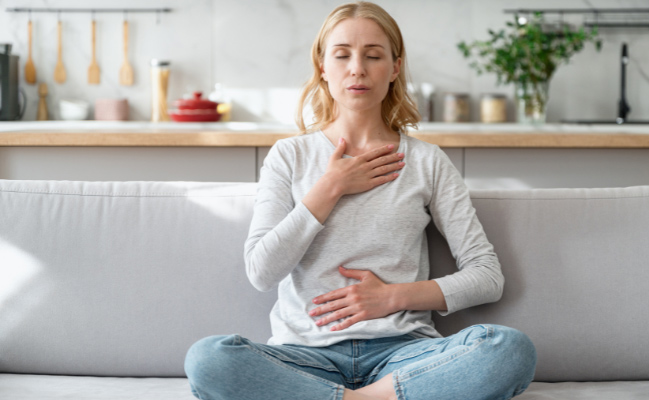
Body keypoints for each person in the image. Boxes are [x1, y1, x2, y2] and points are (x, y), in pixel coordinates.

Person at [184, 2, 536, 399]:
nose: (357, 68)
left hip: (402, 355)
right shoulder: (289, 156)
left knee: (508, 349)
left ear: (395, 67)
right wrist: (330, 187)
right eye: (342, 55)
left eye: (373, 55)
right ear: (322, 66)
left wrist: (392, 296)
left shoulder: (426, 161)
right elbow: (261, 272)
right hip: (305, 358)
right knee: (208, 359)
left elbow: (487, 276)